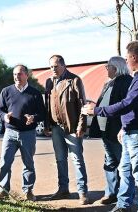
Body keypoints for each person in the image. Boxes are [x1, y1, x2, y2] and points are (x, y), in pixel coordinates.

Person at [82, 40, 138, 212]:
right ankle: (123, 204)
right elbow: (131, 108)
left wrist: (97, 110)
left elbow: (127, 104)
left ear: (134, 57)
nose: (127, 62)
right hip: (130, 131)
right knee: (125, 170)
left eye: (127, 58)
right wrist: (125, 127)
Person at [0, 64, 45, 201]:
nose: (17, 76)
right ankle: (3, 190)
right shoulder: (6, 91)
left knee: (28, 163)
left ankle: (28, 191)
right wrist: (4, 116)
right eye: (15, 74)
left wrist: (34, 118)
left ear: (26, 75)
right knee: (5, 162)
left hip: (28, 133)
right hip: (10, 132)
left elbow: (43, 113)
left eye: (20, 74)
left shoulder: (35, 93)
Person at [44, 55, 89, 205]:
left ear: (63, 65)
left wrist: (81, 127)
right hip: (56, 127)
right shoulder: (49, 82)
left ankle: (82, 192)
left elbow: (83, 105)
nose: (53, 69)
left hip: (72, 128)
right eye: (51, 67)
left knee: (77, 159)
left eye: (55, 66)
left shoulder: (75, 80)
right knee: (60, 159)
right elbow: (47, 104)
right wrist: (47, 124)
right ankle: (63, 189)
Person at [89, 56, 132, 205]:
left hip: (117, 131)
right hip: (105, 131)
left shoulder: (127, 82)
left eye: (108, 66)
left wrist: (123, 127)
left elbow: (127, 106)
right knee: (110, 162)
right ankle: (111, 193)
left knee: (123, 164)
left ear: (115, 67)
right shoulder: (109, 83)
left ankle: (125, 197)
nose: (106, 69)